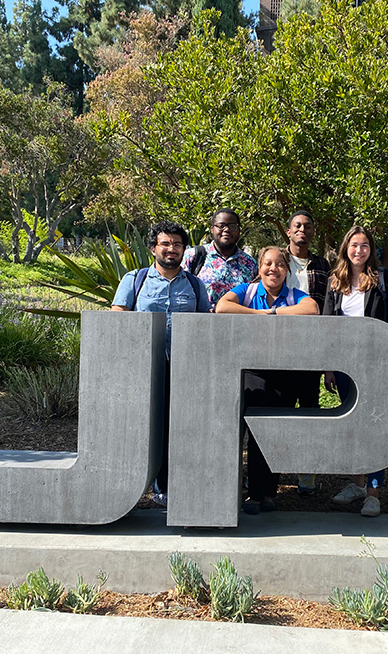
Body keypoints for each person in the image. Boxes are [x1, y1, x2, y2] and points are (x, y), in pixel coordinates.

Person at [111, 221, 211, 507]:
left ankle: (166, 487)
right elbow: (118, 317)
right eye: (165, 244)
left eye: (177, 245)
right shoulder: (135, 279)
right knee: (143, 426)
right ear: (153, 248)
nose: (172, 249)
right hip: (143, 368)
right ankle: (128, 485)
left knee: (176, 427)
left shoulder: (195, 284)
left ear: (184, 250)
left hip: (183, 368)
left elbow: (205, 323)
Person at [216, 246, 318, 514]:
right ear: (259, 267)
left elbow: (311, 309)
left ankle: (267, 494)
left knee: (274, 435)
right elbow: (222, 307)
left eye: (280, 264)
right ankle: (250, 494)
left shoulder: (295, 295)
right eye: (268, 263)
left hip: (285, 374)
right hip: (252, 373)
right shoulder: (246, 292)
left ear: (287, 270)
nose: (273, 269)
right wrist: (259, 314)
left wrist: (274, 314)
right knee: (250, 434)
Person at [321, 225, 388, 517]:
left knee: (373, 427)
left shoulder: (384, 279)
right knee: (352, 426)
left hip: (376, 367)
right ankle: (356, 484)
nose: (359, 251)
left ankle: (373, 493)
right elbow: (327, 327)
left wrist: (381, 344)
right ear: (346, 248)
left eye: (365, 246)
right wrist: (329, 368)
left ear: (370, 250)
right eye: (354, 245)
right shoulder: (336, 282)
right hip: (346, 369)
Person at [283, 210, 331, 495]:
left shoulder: (323, 265)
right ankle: (271, 476)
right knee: (281, 410)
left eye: (308, 226)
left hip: (312, 348)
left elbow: (327, 310)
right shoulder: (275, 261)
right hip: (278, 347)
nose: (302, 230)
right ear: (288, 232)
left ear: (313, 233)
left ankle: (307, 475)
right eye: (297, 226)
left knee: (311, 410)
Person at [182, 208, 257, 310]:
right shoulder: (193, 256)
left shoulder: (250, 264)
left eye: (232, 226)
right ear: (212, 229)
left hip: (238, 323)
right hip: (201, 323)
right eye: (221, 226)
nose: (226, 230)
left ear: (239, 230)